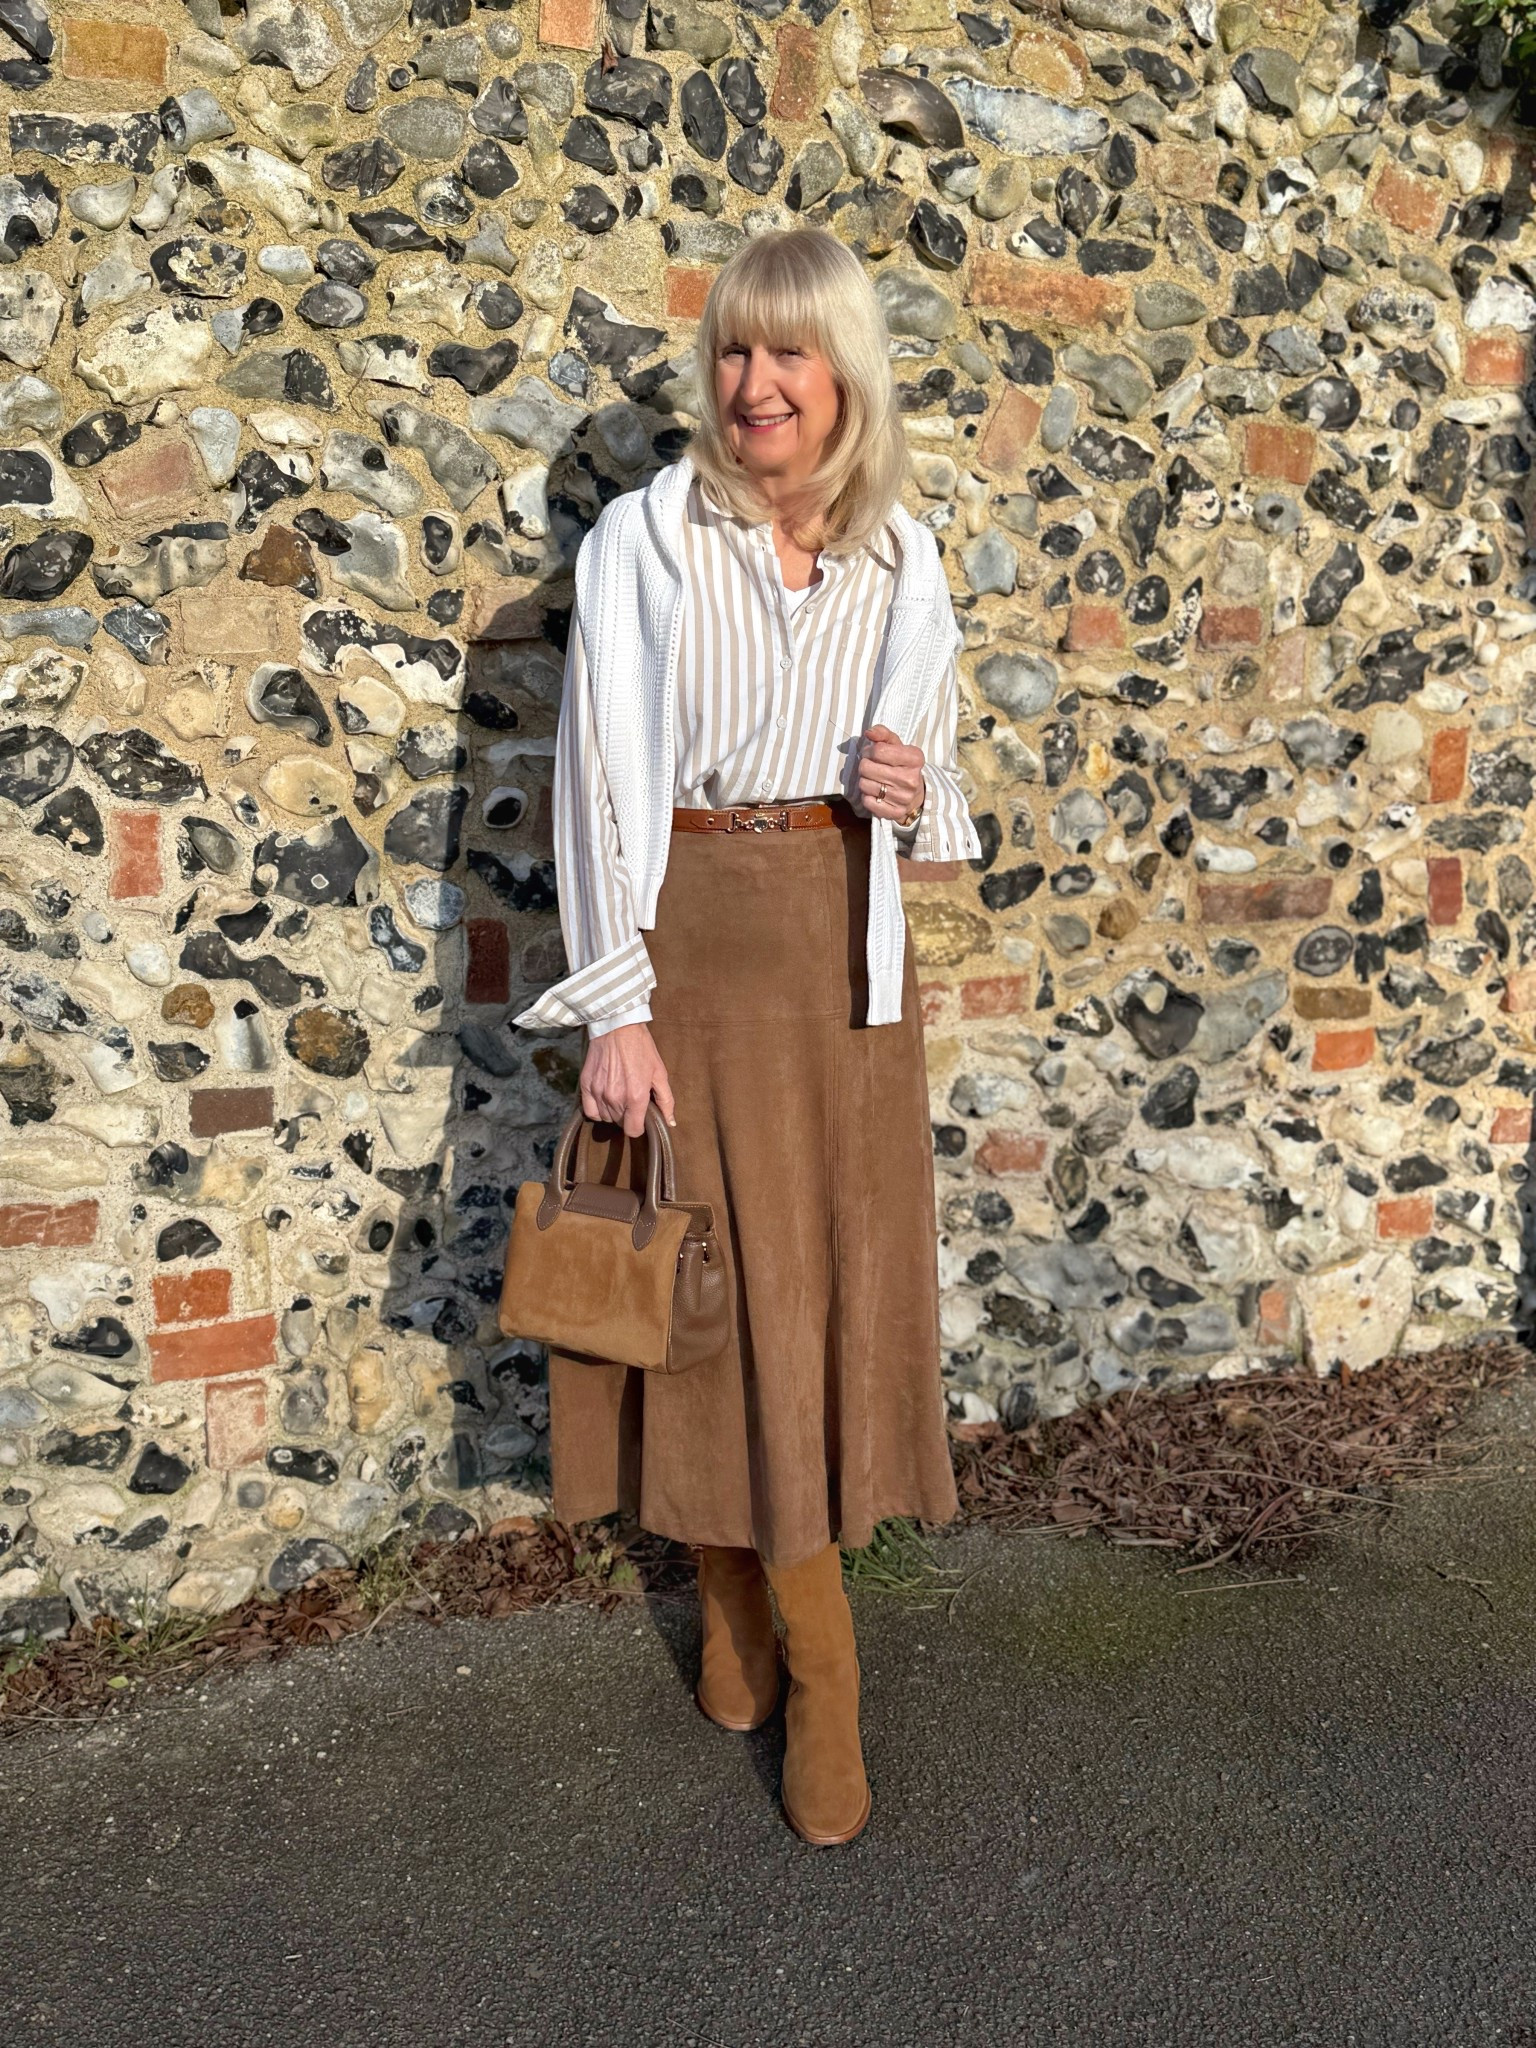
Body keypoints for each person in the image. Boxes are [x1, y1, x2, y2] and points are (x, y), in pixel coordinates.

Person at [515, 226, 982, 1846]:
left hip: (843, 975)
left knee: (816, 1304)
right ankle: (747, 1620)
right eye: (732, 352)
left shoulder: (904, 561)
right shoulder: (650, 541)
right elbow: (599, 778)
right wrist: (615, 1006)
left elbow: (934, 794)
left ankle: (814, 1670)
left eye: (788, 354)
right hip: (693, 947)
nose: (755, 383)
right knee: (702, 1301)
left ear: (845, 371)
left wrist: (922, 796)